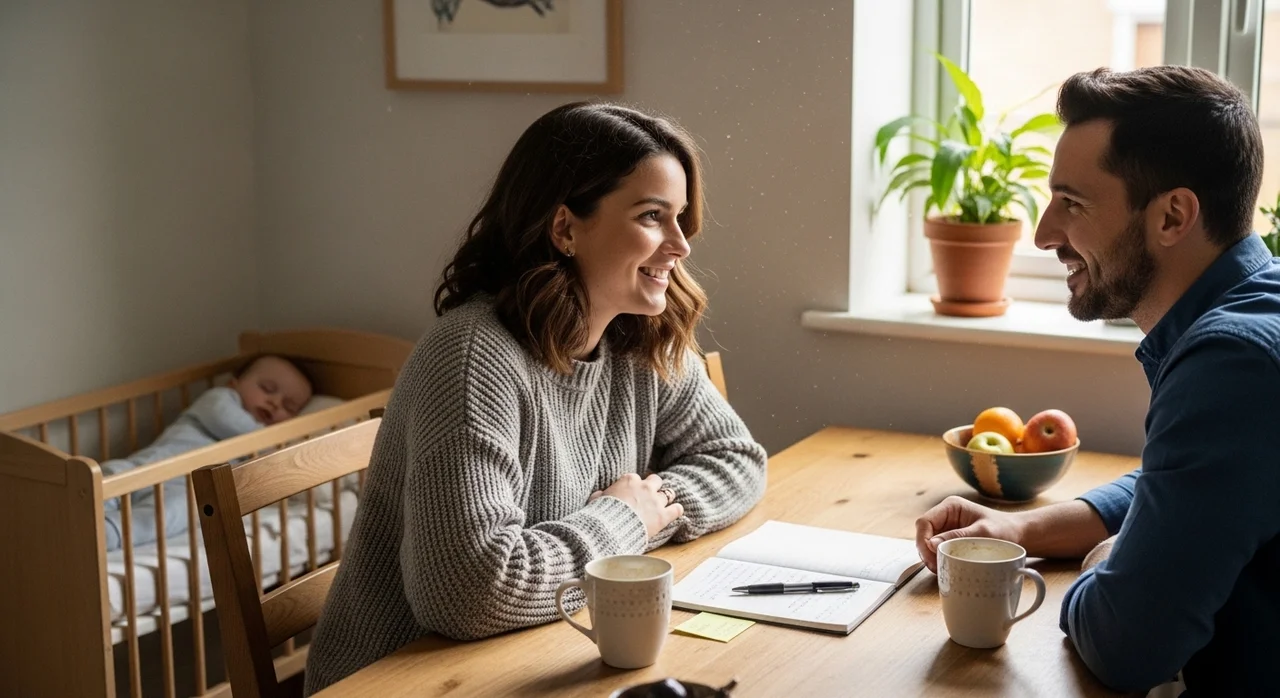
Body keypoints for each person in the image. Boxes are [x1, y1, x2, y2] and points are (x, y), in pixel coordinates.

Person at [303, 102, 769, 694]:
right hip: (401, 678)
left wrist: (656, 505)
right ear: (565, 227)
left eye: (680, 218)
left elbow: (737, 459)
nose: (680, 245)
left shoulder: (638, 337)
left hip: (534, 653)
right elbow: (466, 592)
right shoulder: (472, 358)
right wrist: (624, 521)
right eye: (653, 217)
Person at [915, 64, 1279, 696]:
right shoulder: (1256, 313)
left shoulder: (1231, 361)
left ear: (1172, 217)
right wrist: (1024, 528)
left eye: (1072, 204)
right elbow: (1185, 479)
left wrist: (1104, 562)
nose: (1043, 233)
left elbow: (1126, 645)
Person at [102, 355, 313, 550]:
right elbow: (229, 422)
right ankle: (81, 511)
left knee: (177, 512)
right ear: (234, 383)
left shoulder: (261, 450)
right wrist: (279, 439)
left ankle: (110, 532)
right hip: (151, 465)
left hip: (186, 487)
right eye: (267, 388)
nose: (275, 402)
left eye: (289, 406)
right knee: (111, 475)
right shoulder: (219, 400)